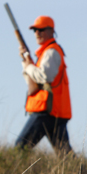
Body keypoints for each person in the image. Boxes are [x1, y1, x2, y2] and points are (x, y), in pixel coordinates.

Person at [15, 15, 73, 155]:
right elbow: (34, 83)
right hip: (53, 111)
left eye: (41, 30)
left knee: (21, 147)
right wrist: (25, 61)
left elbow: (44, 77)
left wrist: (28, 66)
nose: (37, 33)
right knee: (65, 155)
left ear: (51, 31)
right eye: (35, 30)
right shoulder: (46, 53)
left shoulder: (52, 52)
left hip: (47, 111)